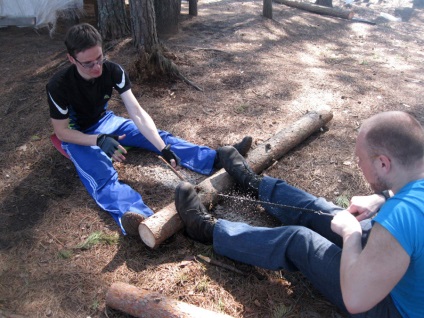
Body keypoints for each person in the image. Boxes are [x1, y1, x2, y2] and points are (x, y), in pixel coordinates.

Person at [175, 111, 424, 317]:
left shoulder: (400, 217)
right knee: (324, 211)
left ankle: (208, 231)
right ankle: (254, 183)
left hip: (391, 307)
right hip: (403, 270)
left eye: (360, 160)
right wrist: (382, 197)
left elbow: (356, 299)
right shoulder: (411, 187)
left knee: (300, 241)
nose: (358, 166)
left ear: (383, 163)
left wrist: (351, 234)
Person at [46, 23, 252, 236]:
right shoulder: (59, 85)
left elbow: (136, 111)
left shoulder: (113, 71)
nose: (96, 67)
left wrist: (162, 147)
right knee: (102, 175)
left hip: (107, 121)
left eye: (99, 58)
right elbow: (62, 132)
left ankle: (212, 159)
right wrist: (98, 140)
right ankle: (138, 216)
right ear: (71, 59)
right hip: (78, 134)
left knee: (160, 137)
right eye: (88, 64)